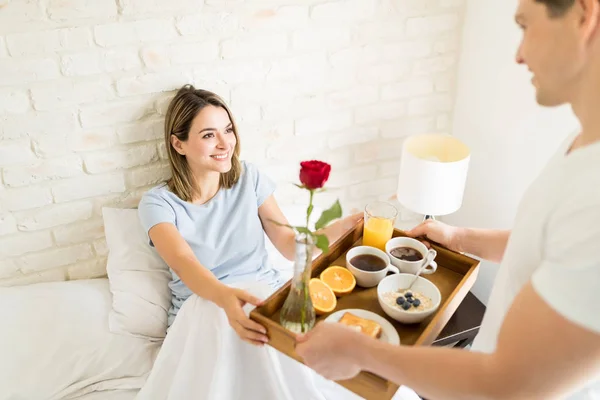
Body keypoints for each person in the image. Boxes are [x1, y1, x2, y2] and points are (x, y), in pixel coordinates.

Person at [296, 0, 600, 398]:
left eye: (525, 25)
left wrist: (361, 351)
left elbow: (506, 385)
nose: (518, 54)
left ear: (583, 14)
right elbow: (547, 243)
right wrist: (458, 238)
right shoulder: (581, 145)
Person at [134, 85, 419, 400]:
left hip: (264, 298)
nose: (224, 143)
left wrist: (341, 227)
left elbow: (287, 244)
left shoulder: (248, 178)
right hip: (203, 305)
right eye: (208, 135)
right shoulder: (158, 203)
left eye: (227, 130)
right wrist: (227, 299)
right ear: (178, 144)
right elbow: (184, 261)